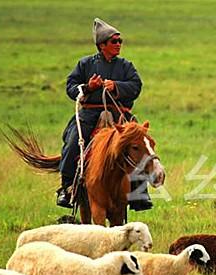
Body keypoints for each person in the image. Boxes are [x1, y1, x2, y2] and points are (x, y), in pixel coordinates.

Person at [57, 18, 152, 211]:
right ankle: (66, 189)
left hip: (119, 116)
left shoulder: (126, 66)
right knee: (72, 141)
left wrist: (116, 86)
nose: (118, 45)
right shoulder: (84, 64)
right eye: (114, 41)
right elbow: (70, 87)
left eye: (120, 41)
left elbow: (136, 86)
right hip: (90, 114)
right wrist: (88, 87)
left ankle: (140, 194)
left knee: (141, 144)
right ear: (102, 45)